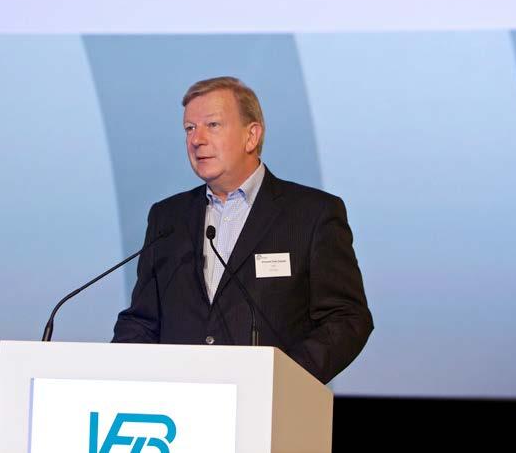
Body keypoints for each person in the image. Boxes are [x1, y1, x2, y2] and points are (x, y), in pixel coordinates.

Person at [112, 76, 373, 384]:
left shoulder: (312, 214)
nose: (196, 140)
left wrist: (284, 377)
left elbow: (347, 318)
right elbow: (142, 321)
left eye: (212, 125)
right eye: (189, 128)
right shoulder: (167, 218)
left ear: (251, 136)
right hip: (179, 402)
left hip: (269, 403)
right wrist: (115, 375)